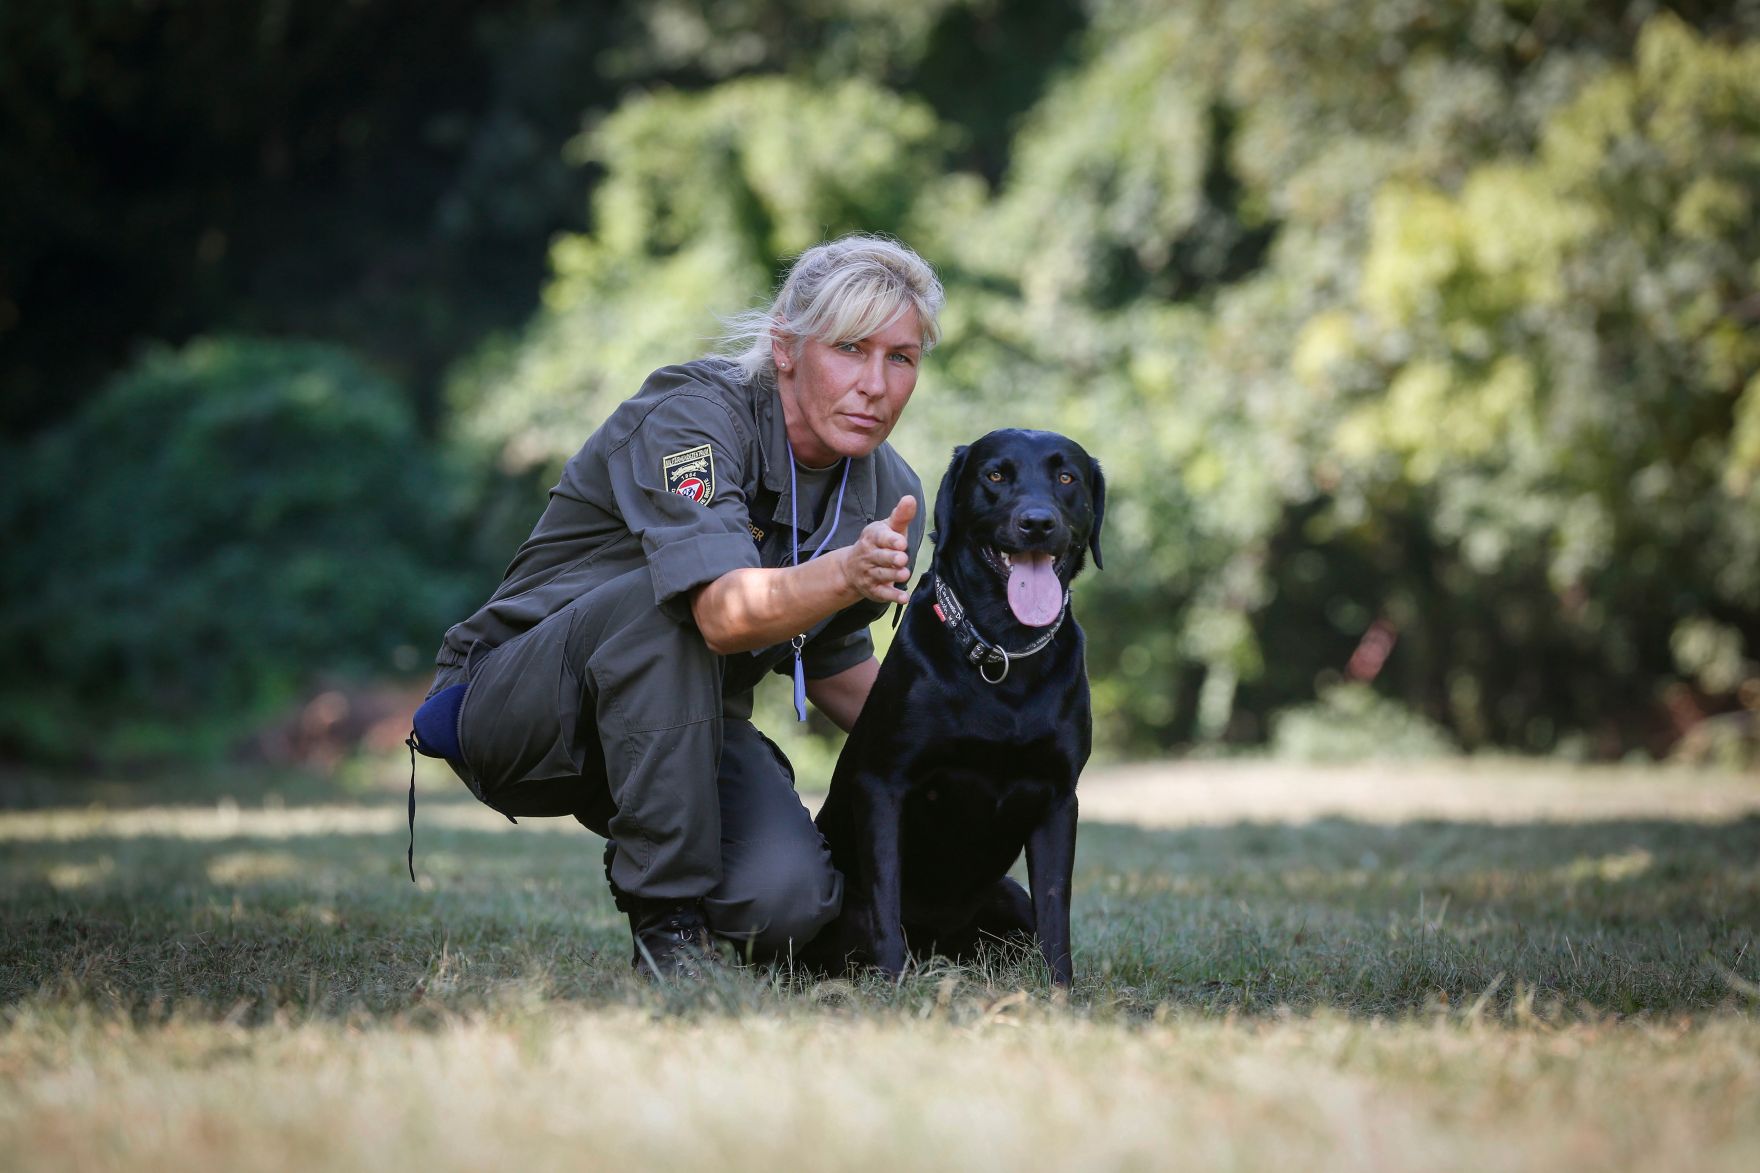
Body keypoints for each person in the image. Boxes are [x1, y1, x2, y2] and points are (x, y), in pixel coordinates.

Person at [422, 234, 940, 979]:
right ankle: (666, 922)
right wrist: (844, 572)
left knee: (786, 903)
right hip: (519, 705)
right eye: (850, 348)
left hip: (676, 730)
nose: (875, 384)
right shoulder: (692, 417)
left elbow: (837, 667)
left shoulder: (887, 492)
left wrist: (972, 753)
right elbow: (722, 616)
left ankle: (688, 869)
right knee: (669, 603)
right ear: (786, 347)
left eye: (902, 358)